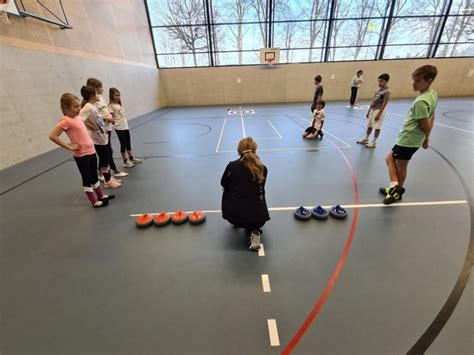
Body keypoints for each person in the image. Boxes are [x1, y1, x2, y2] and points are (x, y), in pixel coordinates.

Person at [380, 65, 438, 205]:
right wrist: (425, 137)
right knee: (401, 164)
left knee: (391, 160)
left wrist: (426, 137)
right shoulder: (432, 94)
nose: (413, 83)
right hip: (414, 138)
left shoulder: (421, 102)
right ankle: (396, 190)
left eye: (418, 81)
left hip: (409, 138)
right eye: (414, 80)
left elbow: (426, 123)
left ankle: (395, 189)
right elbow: (432, 115)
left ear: (429, 81)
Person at [48, 93, 113, 208]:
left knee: (94, 176)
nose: (79, 109)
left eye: (79, 106)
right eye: (76, 107)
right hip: (82, 155)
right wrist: (69, 146)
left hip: (91, 151)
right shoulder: (65, 121)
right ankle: (94, 201)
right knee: (87, 178)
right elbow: (53, 136)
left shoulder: (77, 117)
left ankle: (101, 195)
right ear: (66, 108)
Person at [221, 137, 270, 251]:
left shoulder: (231, 166)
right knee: (259, 191)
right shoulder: (263, 168)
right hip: (259, 219)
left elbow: (223, 183)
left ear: (239, 151)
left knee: (226, 189)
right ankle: (254, 231)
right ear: (255, 150)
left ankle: (240, 218)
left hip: (234, 218)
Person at [79, 86, 121, 189]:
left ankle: (109, 178)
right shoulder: (87, 107)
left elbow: (97, 119)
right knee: (104, 159)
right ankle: (107, 180)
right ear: (92, 96)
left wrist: (102, 128)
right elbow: (79, 120)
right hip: (96, 139)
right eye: (97, 94)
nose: (99, 96)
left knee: (105, 158)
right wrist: (90, 127)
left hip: (102, 135)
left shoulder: (93, 106)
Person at [86, 78, 128, 178]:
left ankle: (102, 172)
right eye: (100, 87)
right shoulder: (91, 102)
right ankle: (112, 171)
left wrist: (110, 117)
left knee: (107, 151)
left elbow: (105, 111)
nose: (103, 89)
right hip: (101, 130)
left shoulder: (101, 98)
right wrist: (106, 118)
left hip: (107, 128)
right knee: (106, 152)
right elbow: (94, 115)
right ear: (94, 89)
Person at [108, 88, 142, 168]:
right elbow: (111, 117)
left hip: (125, 125)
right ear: (112, 96)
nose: (118, 97)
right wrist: (114, 123)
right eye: (116, 95)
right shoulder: (111, 106)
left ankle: (131, 158)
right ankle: (125, 161)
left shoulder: (119, 104)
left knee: (128, 143)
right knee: (123, 144)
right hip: (119, 127)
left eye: (119, 95)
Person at [356, 73, 391, 148]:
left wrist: (378, 114)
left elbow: (384, 103)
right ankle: (366, 138)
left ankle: (374, 141)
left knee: (377, 127)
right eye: (378, 81)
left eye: (381, 81)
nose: (379, 83)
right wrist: (368, 111)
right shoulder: (377, 89)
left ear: (386, 81)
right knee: (369, 125)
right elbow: (373, 100)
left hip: (378, 110)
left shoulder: (387, 91)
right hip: (372, 109)